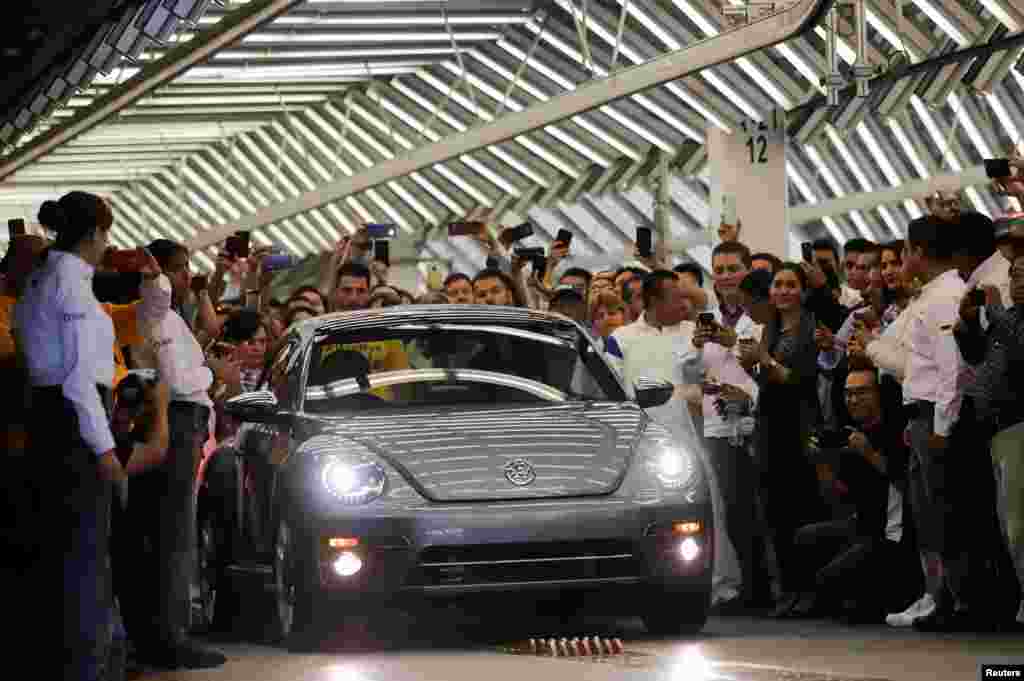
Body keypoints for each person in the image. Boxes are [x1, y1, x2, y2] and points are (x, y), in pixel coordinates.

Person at [13, 192, 167, 681]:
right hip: (74, 425)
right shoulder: (69, 286)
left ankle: (86, 662)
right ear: (97, 234)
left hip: (49, 420)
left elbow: (151, 306)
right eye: (106, 234)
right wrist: (105, 453)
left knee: (67, 558)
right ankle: (89, 667)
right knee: (85, 559)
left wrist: (148, 277)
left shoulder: (48, 278)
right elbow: (81, 383)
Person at [126, 239, 227, 669]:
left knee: (166, 534)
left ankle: (163, 634)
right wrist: (212, 372)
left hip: (183, 424)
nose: (189, 276)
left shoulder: (172, 318)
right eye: (181, 269)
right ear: (162, 275)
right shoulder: (157, 318)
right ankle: (170, 638)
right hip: (176, 422)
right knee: (172, 536)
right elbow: (179, 380)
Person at [738, 263, 828, 617]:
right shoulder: (771, 328)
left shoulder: (810, 328)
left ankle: (810, 590)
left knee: (803, 509)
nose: (783, 291)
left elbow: (802, 380)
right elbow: (767, 378)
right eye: (778, 285)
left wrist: (764, 361)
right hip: (770, 426)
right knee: (775, 513)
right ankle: (788, 588)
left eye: (791, 285)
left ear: (803, 292)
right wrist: (752, 367)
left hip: (800, 426)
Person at [895, 215, 968, 631]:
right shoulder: (931, 295)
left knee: (944, 512)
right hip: (922, 415)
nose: (904, 258)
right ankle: (942, 597)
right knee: (929, 513)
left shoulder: (944, 296)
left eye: (905, 250)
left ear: (920, 253)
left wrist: (940, 425)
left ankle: (957, 600)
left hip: (937, 418)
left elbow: (952, 369)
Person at [955, 251, 1024, 632]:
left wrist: (995, 311)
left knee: (1018, 525)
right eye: (1014, 275)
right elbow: (978, 356)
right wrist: (967, 324)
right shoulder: (1009, 318)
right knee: (1006, 521)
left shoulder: (1009, 319)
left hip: (1020, 424)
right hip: (996, 428)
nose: (1017, 282)